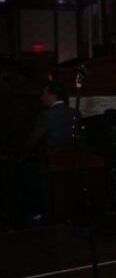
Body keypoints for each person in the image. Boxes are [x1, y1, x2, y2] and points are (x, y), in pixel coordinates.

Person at [19, 81, 80, 224]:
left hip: (50, 161)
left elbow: (32, 141)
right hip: (72, 160)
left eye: (44, 94)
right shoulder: (75, 113)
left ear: (53, 95)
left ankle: (37, 214)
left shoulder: (46, 115)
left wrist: (21, 154)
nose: (41, 97)